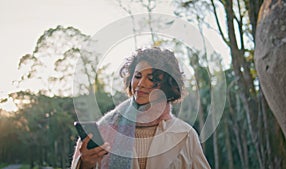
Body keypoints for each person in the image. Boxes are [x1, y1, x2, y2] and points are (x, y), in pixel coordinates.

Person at [71, 47, 211, 169]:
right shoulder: (105, 129)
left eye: (151, 78)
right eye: (137, 76)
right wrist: (85, 164)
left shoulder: (185, 135)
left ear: (167, 86)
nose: (140, 84)